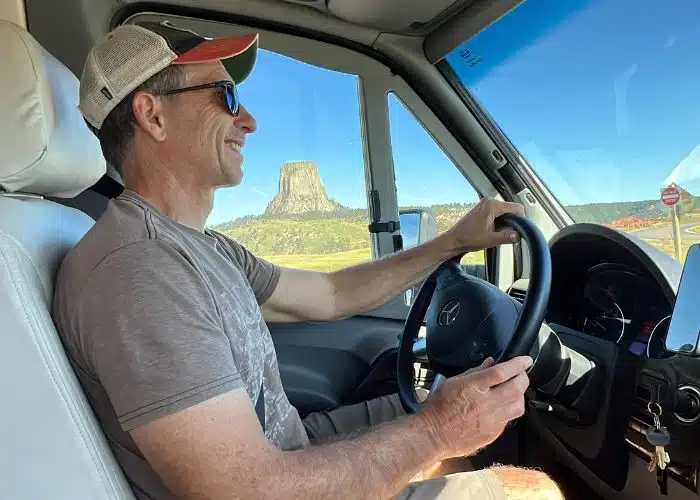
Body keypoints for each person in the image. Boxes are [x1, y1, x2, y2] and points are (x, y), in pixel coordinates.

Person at [53, 21, 563, 500]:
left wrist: (451, 242)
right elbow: (246, 491)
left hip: (292, 449)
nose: (247, 120)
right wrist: (436, 433)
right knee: (535, 490)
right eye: (226, 96)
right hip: (279, 481)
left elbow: (331, 295)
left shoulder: (200, 247)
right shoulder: (141, 269)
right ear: (153, 115)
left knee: (445, 411)